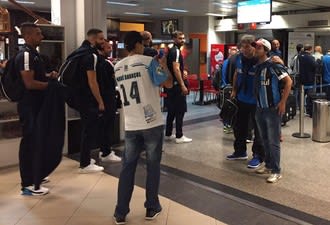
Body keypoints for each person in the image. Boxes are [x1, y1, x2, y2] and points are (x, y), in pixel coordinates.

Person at [113, 31, 173, 224]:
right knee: (153, 166)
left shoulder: (117, 67)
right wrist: (163, 66)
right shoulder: (149, 62)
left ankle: (120, 212)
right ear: (139, 44)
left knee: (127, 168)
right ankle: (151, 207)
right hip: (152, 123)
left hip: (131, 124)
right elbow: (169, 84)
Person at [16, 23, 58, 196]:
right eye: (38, 33)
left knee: (37, 141)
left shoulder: (35, 55)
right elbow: (29, 83)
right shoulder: (25, 55)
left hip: (37, 106)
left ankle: (35, 175)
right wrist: (50, 86)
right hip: (29, 107)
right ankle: (27, 184)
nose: (41, 37)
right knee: (29, 143)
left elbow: (37, 77)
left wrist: (49, 76)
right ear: (27, 36)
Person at [253, 38, 292, 183]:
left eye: (258, 47)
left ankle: (276, 170)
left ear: (266, 50)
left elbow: (288, 81)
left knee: (273, 141)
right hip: (259, 108)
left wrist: (283, 102)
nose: (256, 49)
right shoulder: (257, 66)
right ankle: (269, 165)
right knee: (264, 139)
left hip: (272, 109)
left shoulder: (273, 65)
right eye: (255, 47)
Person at [226, 34, 265, 169]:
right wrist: (234, 90)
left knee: (258, 129)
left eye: (247, 47)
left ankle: (258, 156)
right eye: (242, 47)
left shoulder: (261, 60)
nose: (244, 50)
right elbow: (237, 72)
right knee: (239, 126)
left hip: (256, 100)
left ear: (253, 46)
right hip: (242, 98)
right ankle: (240, 151)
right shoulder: (239, 58)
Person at [77, 28, 106, 173]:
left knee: (86, 129)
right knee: (88, 130)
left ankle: (86, 157)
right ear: (93, 39)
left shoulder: (80, 52)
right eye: (101, 39)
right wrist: (100, 101)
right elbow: (92, 81)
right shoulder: (91, 56)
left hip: (80, 97)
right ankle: (85, 163)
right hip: (88, 99)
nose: (103, 41)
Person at [164, 31, 192, 144]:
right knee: (180, 110)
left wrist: (183, 71)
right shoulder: (175, 51)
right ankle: (179, 136)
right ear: (174, 39)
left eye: (183, 38)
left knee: (171, 110)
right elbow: (175, 69)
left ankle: (168, 133)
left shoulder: (172, 51)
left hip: (171, 86)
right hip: (176, 86)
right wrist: (182, 85)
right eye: (180, 38)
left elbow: (177, 68)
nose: (182, 40)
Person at [97, 40, 122, 162]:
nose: (110, 49)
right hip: (107, 98)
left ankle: (104, 150)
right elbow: (115, 77)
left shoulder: (97, 61)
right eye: (108, 48)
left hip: (103, 97)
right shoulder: (105, 63)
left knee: (104, 125)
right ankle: (106, 152)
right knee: (107, 125)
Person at [298, 44, 317, 116]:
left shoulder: (299, 57)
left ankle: (301, 110)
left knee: (301, 96)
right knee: (310, 96)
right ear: (310, 49)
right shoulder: (311, 57)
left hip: (301, 79)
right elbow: (315, 66)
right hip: (310, 80)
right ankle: (309, 111)